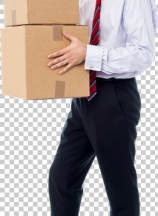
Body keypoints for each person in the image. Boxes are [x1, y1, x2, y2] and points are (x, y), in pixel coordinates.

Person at [47, 0, 158, 215]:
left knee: (119, 189)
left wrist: (89, 54)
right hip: (83, 94)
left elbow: (142, 54)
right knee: (61, 178)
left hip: (114, 96)